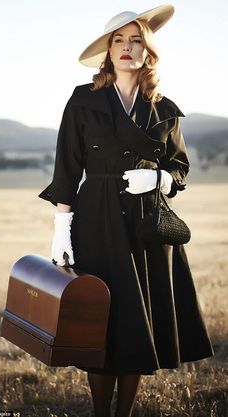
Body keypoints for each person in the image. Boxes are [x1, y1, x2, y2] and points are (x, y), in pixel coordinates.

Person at [39, 5, 214, 417]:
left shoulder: (164, 108)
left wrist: (160, 181)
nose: (126, 47)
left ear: (148, 51)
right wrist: (61, 228)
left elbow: (180, 167)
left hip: (146, 224)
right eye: (118, 40)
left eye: (135, 40)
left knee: (136, 322)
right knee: (102, 320)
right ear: (108, 50)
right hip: (96, 219)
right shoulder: (84, 100)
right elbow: (67, 166)